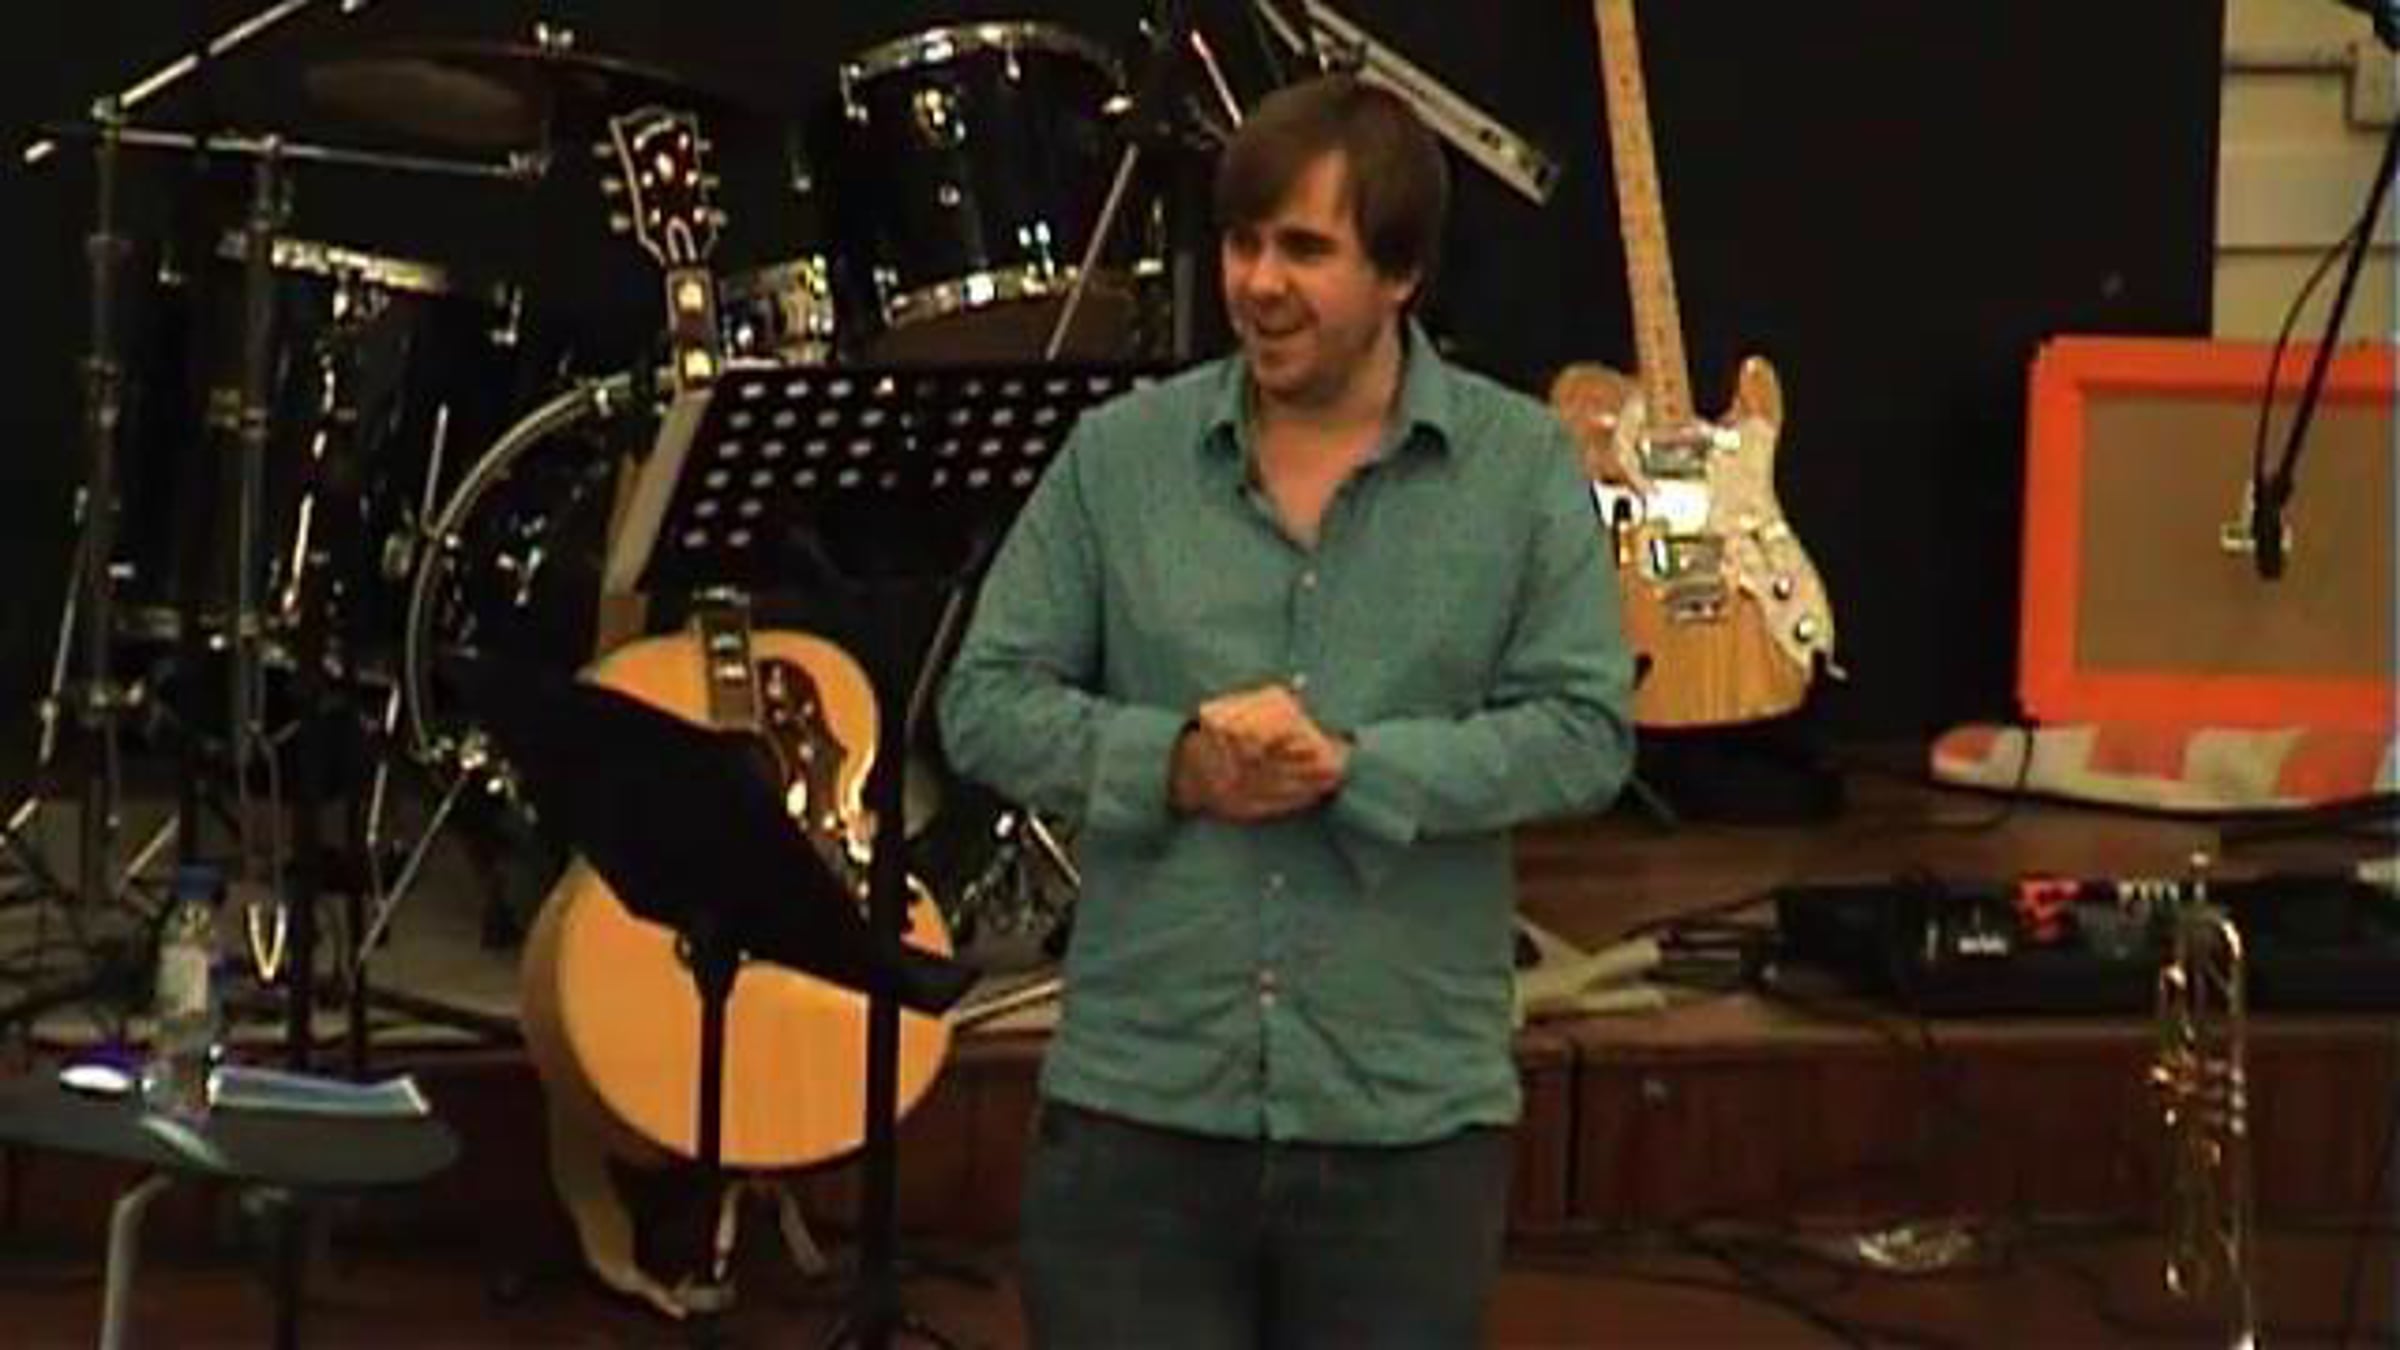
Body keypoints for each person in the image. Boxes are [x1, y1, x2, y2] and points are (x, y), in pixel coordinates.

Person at [938, 74, 1635, 1347]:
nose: (1258, 283)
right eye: (1243, 243)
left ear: (1402, 273)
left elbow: (1587, 735)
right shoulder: (1121, 457)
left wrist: (1357, 770)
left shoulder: (1520, 468)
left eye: (1305, 249)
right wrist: (1174, 764)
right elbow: (981, 703)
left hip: (1404, 1122)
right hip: (1139, 1115)